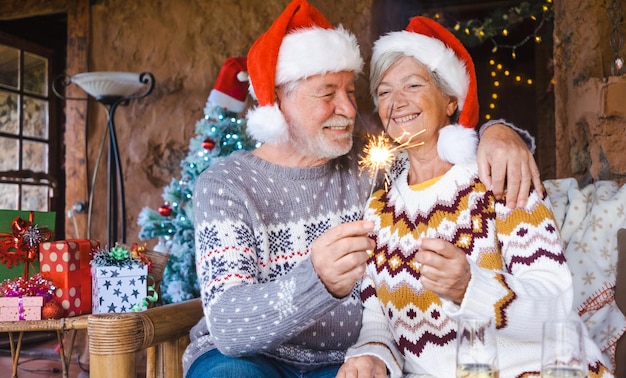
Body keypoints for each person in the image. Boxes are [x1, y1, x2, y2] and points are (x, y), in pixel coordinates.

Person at [182, 1, 541, 377]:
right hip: (245, 359)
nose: (350, 109)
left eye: (350, 91)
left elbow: (438, 154)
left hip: (345, 360)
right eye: (327, 94)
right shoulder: (227, 186)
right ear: (277, 100)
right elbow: (229, 327)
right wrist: (315, 281)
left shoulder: (371, 162)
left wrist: (497, 133)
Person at [337, 16, 612, 378]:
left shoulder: (497, 175)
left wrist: (470, 287)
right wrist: (372, 355)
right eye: (384, 92)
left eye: (413, 85)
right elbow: (379, 319)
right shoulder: (379, 209)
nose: (396, 102)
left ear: (451, 99)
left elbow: (554, 304)